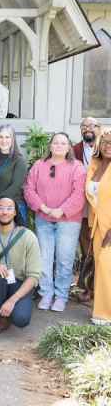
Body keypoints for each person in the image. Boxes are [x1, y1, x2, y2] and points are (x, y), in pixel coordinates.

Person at [24, 132, 86, 312]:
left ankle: (61, 295)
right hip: (43, 218)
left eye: (63, 143)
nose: (59, 146)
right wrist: (43, 207)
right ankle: (46, 293)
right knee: (44, 258)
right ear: (50, 146)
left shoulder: (77, 167)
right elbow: (29, 189)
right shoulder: (39, 165)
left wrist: (61, 210)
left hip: (68, 220)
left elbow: (79, 194)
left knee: (64, 260)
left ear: (68, 147)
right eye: (56, 143)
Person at [0, 197, 41, 334]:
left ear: (15, 212)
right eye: (0, 208)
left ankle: (11, 307)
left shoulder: (28, 236)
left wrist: (12, 301)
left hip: (19, 284)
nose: (4, 212)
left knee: (21, 319)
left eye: (9, 208)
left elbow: (33, 276)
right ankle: (2, 317)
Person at [85, 128, 111, 325]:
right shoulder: (94, 165)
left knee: (106, 267)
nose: (108, 146)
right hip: (96, 226)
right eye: (105, 142)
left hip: (110, 226)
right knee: (101, 269)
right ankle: (101, 312)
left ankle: (106, 314)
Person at [74, 117, 101, 301]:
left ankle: (100, 288)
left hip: (102, 208)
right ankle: (88, 287)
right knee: (86, 249)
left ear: (99, 128)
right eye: (83, 126)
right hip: (82, 209)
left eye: (91, 125)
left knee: (101, 249)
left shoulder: (106, 148)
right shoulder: (75, 150)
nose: (87, 129)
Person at [0, 124, 28, 224]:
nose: (4, 140)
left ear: (13, 140)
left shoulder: (19, 161)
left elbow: (15, 186)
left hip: (12, 207)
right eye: (1, 137)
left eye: (7, 137)